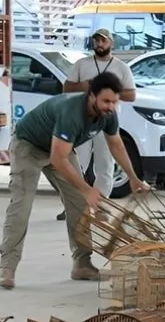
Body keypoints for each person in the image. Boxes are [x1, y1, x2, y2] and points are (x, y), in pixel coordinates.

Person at [0, 71, 150, 290]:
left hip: (60, 148)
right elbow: (57, 159)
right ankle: (7, 267)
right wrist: (88, 189)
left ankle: (82, 264)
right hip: (29, 146)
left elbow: (116, 144)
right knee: (22, 206)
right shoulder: (72, 112)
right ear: (91, 96)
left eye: (114, 102)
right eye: (106, 101)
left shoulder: (109, 114)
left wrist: (134, 178)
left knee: (79, 205)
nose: (110, 106)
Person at [55, 27, 137, 221]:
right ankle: (74, 206)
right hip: (82, 120)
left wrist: (108, 92)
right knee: (77, 164)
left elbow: (131, 95)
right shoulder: (82, 64)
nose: (99, 44)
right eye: (96, 40)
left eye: (103, 41)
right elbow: (66, 87)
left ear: (111, 43)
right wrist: (86, 86)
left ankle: (101, 207)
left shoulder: (121, 67)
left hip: (106, 121)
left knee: (105, 165)